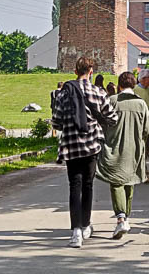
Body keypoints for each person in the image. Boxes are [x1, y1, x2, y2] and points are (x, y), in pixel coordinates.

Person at [51, 57, 117, 248]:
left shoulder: (64, 94)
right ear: (91, 71)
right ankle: (86, 225)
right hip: (91, 145)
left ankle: (76, 232)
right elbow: (112, 117)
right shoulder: (97, 92)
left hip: (71, 146)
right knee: (88, 185)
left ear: (75, 71)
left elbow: (56, 122)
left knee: (74, 186)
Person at [97, 71, 149, 239]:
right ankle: (126, 217)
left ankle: (121, 218)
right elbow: (147, 130)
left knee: (116, 181)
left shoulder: (112, 101)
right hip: (135, 148)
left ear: (119, 85)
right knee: (130, 181)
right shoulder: (141, 104)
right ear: (133, 84)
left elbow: (103, 124)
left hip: (114, 146)